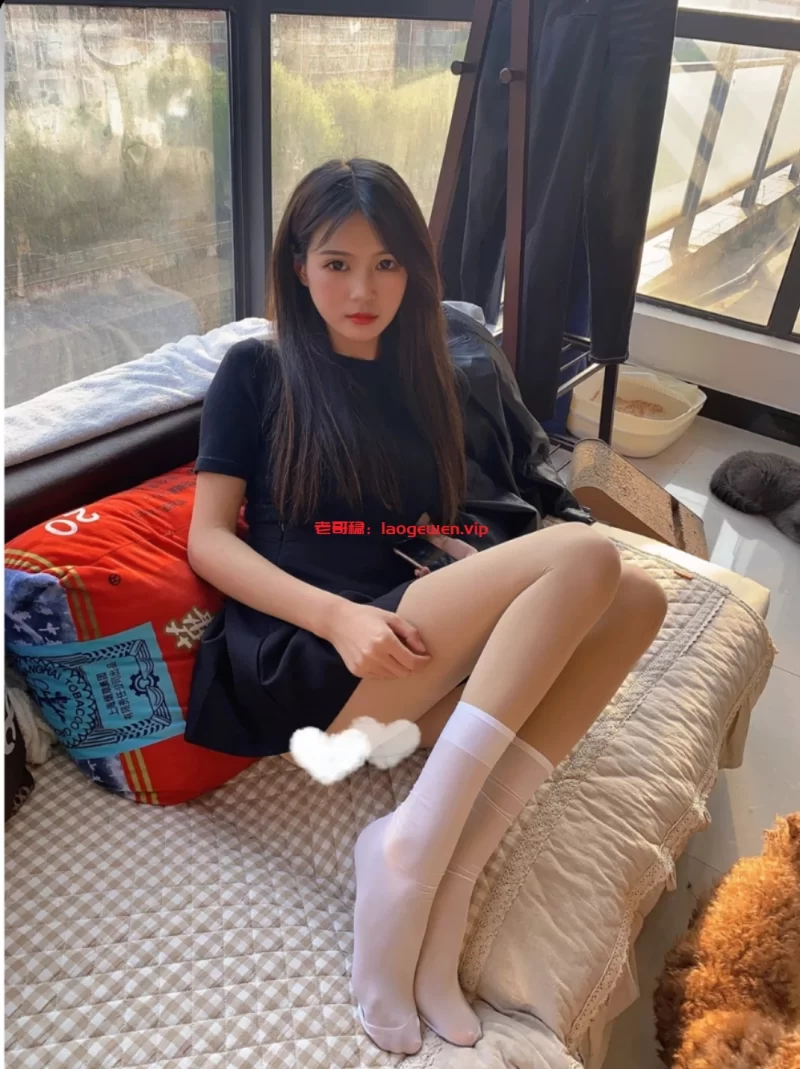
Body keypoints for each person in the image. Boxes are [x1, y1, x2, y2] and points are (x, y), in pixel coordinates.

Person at [185, 157, 668, 1055]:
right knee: (588, 554)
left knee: (636, 598)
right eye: (336, 263)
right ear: (298, 266)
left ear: (415, 269)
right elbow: (208, 542)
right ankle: (405, 852)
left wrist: (470, 562)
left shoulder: (428, 372)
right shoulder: (257, 369)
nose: (362, 290)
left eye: (387, 264)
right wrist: (337, 618)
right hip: (315, 658)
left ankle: (448, 876)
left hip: (410, 640)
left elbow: (428, 520)